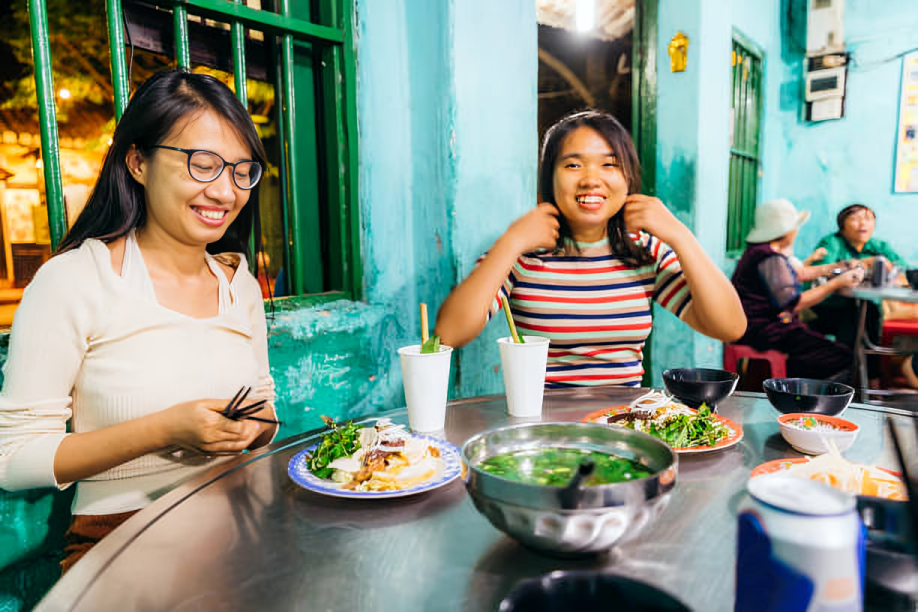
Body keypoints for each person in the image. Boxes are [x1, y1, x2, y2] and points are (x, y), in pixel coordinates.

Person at [0, 69, 277, 573]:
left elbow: (264, 407)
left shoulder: (239, 282)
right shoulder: (73, 281)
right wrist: (166, 429)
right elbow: (13, 459)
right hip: (121, 540)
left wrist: (252, 428)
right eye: (204, 164)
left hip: (239, 523)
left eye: (242, 171)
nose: (226, 191)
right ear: (138, 162)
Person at [435, 109, 746, 387]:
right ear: (549, 177)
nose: (591, 179)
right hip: (541, 425)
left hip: (623, 423)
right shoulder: (522, 254)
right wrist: (511, 241)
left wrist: (681, 236)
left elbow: (730, 326)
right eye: (573, 165)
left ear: (628, 176)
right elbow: (449, 334)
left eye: (609, 164)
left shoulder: (644, 253)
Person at [731, 198, 864, 381]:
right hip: (765, 330)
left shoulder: (760, 251)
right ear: (787, 231)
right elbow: (795, 303)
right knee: (843, 357)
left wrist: (837, 268)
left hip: (756, 326)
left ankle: (784, 381)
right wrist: (836, 283)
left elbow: (798, 273)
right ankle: (786, 386)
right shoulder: (769, 258)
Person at [807, 204, 908, 378]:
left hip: (865, 307)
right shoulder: (831, 243)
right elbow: (819, 272)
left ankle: (858, 378)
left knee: (867, 314)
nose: (863, 224)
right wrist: (866, 263)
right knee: (858, 317)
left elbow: (902, 270)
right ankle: (861, 378)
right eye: (855, 219)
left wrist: (893, 270)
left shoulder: (880, 246)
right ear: (842, 225)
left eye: (868, 219)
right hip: (829, 306)